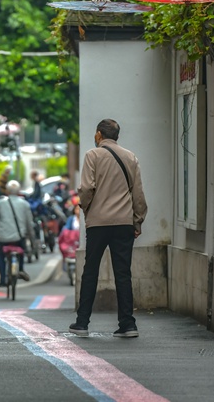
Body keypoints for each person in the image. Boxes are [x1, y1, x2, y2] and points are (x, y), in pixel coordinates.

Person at [70, 119, 148, 339]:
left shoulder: (92, 156)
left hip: (98, 223)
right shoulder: (130, 157)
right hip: (123, 222)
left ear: (98, 134)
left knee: (91, 271)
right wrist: (137, 220)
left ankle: (82, 322)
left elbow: (86, 188)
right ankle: (128, 324)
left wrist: (85, 208)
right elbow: (138, 194)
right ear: (117, 136)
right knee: (123, 273)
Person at [0, 180, 35, 287]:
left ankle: (2, 279)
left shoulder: (0, 203)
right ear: (19, 191)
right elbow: (29, 223)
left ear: (7, 191)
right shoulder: (24, 204)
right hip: (18, 238)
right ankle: (21, 269)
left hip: (3, 238)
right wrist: (32, 238)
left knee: (1, 256)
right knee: (22, 250)